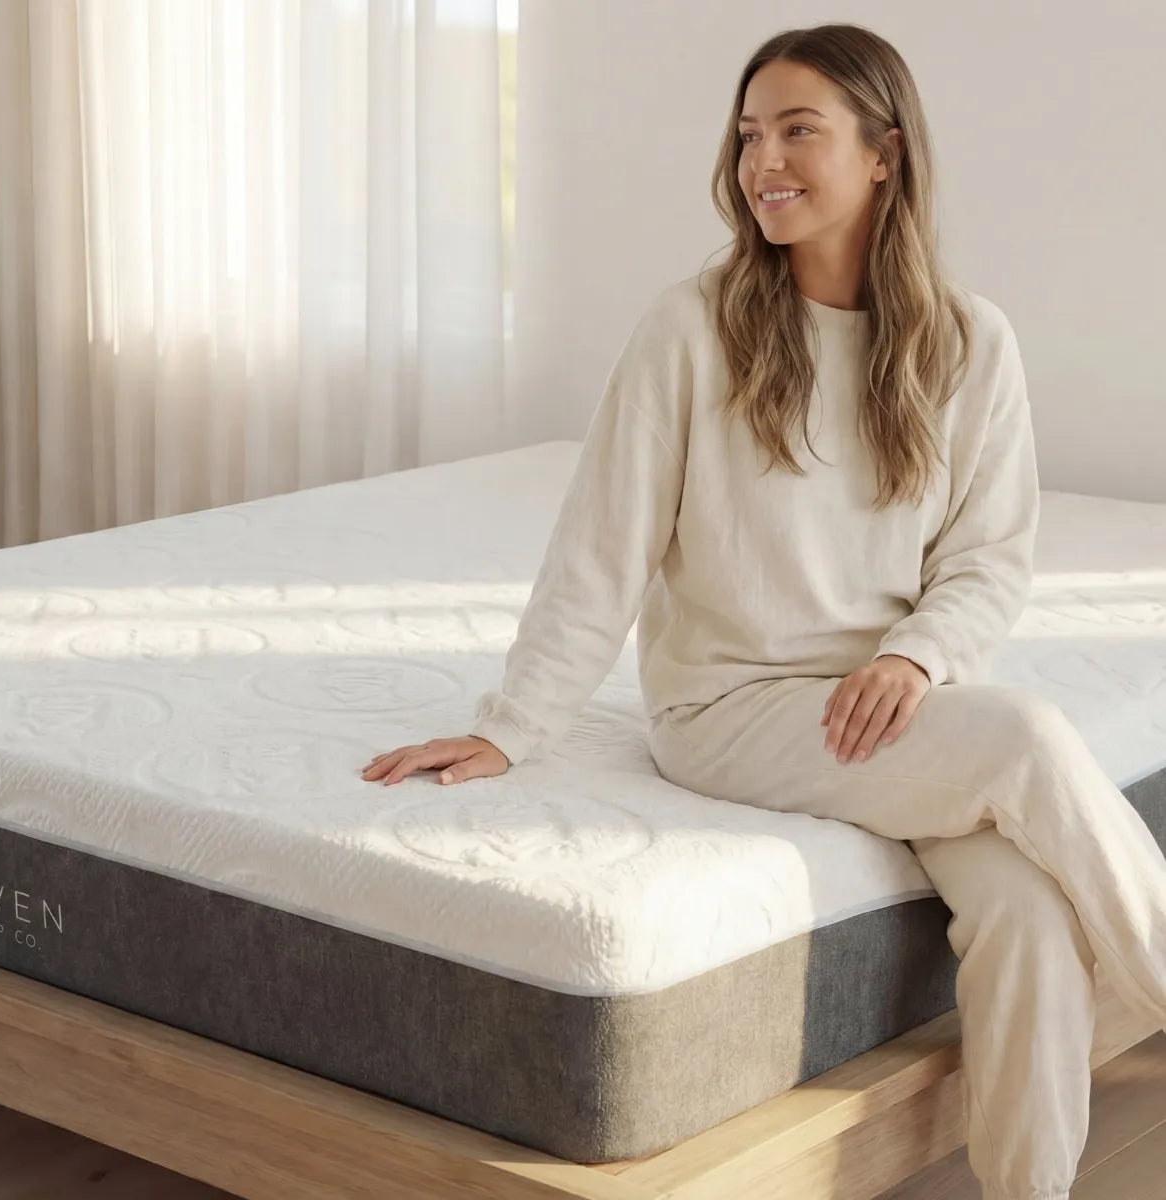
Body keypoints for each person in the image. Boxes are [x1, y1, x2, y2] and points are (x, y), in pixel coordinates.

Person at [359, 21, 1166, 1200]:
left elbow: (988, 562)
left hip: (887, 713)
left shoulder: (968, 341)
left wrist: (918, 658)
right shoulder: (694, 327)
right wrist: (511, 726)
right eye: (749, 134)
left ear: (885, 154)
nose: (762, 161)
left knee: (1033, 916)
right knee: (1033, 737)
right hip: (730, 708)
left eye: (799, 130)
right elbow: (603, 546)